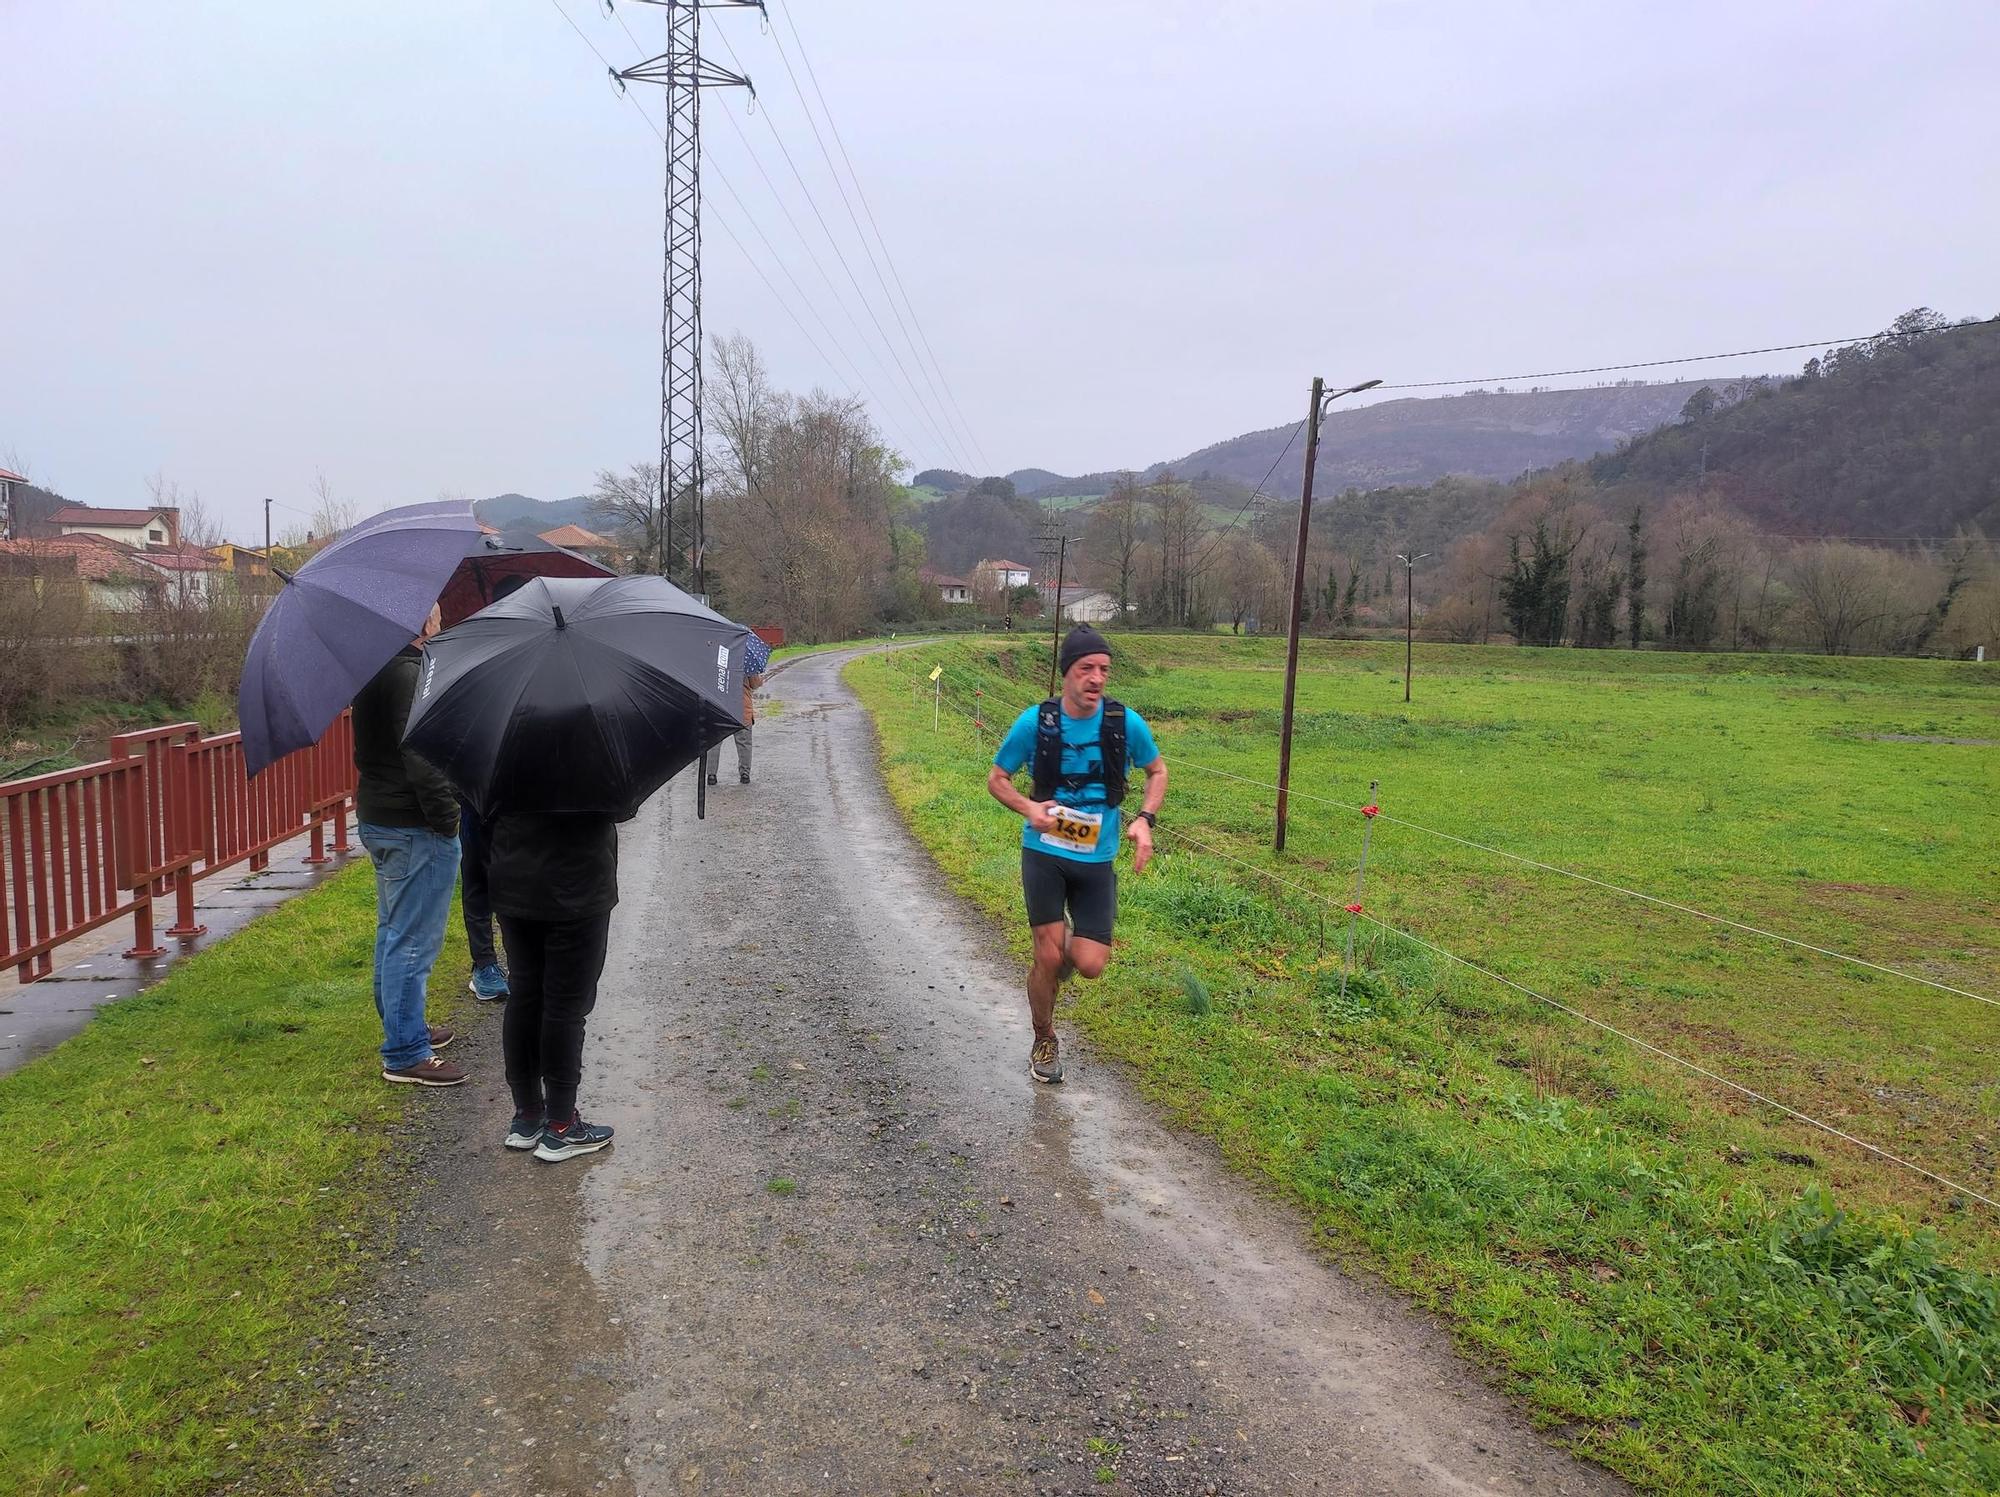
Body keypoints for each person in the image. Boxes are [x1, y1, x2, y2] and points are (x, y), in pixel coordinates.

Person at [986, 625, 1167, 1083]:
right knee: (1048, 956)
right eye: (1087, 668)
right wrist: (1029, 807)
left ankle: (1056, 952)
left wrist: (1144, 819)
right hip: (1044, 853)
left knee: (1089, 964)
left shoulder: (1125, 724)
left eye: (1104, 669)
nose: (1097, 678)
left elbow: (1157, 771)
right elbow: (997, 779)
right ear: (1067, 673)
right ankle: (1044, 1036)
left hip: (1097, 858)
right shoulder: (1036, 723)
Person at [352, 604, 464, 1086]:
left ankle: (406, 1027)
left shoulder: (374, 667)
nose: (441, 618)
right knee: (413, 941)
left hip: (380, 815)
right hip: (415, 824)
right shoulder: (409, 673)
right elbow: (421, 754)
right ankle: (404, 1052)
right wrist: (448, 819)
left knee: (394, 931)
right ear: (422, 622)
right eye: (436, 612)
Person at [488, 809, 620, 1161]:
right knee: (565, 1005)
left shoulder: (499, 752)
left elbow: (476, 802)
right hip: (577, 882)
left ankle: (528, 1115)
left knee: (525, 993)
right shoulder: (594, 753)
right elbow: (621, 806)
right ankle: (561, 1125)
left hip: (513, 874)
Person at [461, 575, 528, 1002]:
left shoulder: (535, 654)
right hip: (478, 786)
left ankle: (505, 958)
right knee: (482, 875)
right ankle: (486, 963)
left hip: (508, 785)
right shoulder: (472, 653)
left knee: (503, 874)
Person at [704, 664, 767, 787]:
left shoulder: (717, 657)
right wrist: (760, 679)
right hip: (741, 708)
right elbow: (755, 684)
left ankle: (711, 775)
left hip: (720, 707)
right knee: (744, 743)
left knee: (715, 743)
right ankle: (745, 774)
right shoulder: (746, 661)